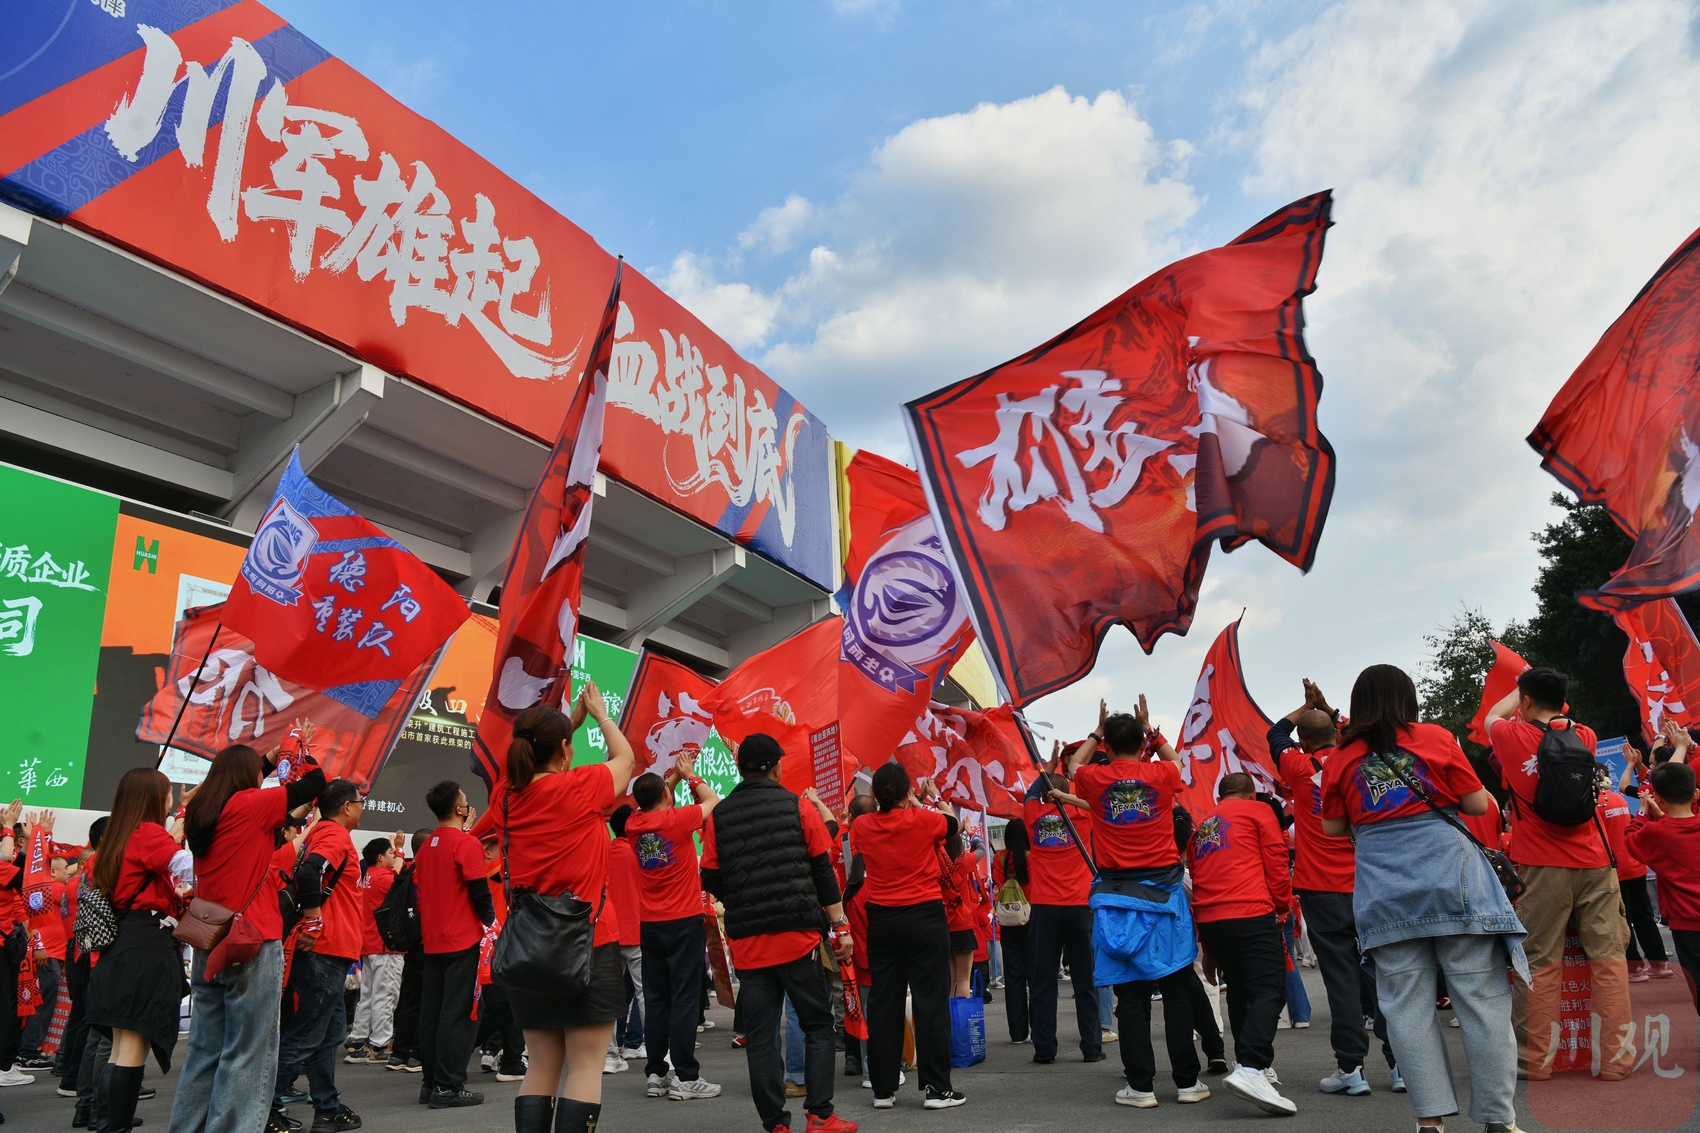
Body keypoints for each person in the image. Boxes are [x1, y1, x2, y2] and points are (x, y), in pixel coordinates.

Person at [1321, 663, 1525, 1133]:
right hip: (1453, 881)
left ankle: (1429, 1121)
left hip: (1385, 891)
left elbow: (1332, 827)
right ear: (1407, 699)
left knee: (1406, 1011)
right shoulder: (1435, 737)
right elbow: (1476, 804)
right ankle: (1499, 1120)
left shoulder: (1341, 756)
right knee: (1482, 1003)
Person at [487, 685, 634, 1133]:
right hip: (590, 941)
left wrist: (567, 725)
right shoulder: (581, 786)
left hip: (529, 948)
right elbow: (626, 759)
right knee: (586, 1066)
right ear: (565, 751)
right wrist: (600, 715)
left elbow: (536, 757)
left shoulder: (503, 799)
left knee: (541, 1065)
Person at [702, 733, 861, 1131]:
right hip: (798, 939)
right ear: (776, 767)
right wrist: (841, 926)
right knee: (817, 1025)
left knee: (760, 1038)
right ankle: (820, 1116)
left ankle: (776, 1124)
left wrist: (741, 899)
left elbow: (710, 875)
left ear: (739, 768)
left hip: (749, 944)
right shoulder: (799, 807)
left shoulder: (718, 816)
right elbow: (822, 870)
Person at [1485, 667, 1631, 1080]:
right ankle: (1616, 1062)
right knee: (1608, 960)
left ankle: (1534, 1062)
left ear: (1526, 701)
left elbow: (1493, 715)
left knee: (1539, 962)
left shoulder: (1510, 736)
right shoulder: (1584, 735)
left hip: (1542, 865)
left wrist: (1519, 684)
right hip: (1595, 863)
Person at [173, 742, 327, 1133]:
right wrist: (297, 749)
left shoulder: (202, 810)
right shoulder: (250, 804)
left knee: (203, 1050)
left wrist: (271, 759)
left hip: (208, 936)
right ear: (249, 777)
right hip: (251, 938)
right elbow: (316, 783)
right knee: (249, 1050)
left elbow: (246, 775)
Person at [1059, 702, 1203, 1108]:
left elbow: (1073, 767)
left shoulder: (1094, 778)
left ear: (1107, 746)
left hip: (1118, 899)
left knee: (1132, 999)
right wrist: (1151, 731)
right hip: (1165, 897)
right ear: (1142, 745)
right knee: (1176, 991)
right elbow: (1179, 762)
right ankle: (1188, 1084)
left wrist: (1096, 732)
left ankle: (1140, 1087)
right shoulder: (1160, 774)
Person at [1268, 680, 1399, 1095]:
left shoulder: (1297, 766)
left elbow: (1276, 733)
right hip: (1369, 882)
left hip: (1320, 889)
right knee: (1384, 973)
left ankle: (1351, 1069)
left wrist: (1305, 706)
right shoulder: (1357, 758)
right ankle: (1401, 1065)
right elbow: (1360, 731)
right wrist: (1326, 707)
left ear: (1304, 742)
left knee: (1340, 979)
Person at [850, 761, 964, 1112]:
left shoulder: (862, 825)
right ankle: (936, 1089)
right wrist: (921, 801)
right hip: (924, 916)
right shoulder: (923, 820)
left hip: (882, 919)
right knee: (930, 1001)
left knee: (885, 1003)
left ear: (875, 794)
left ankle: (883, 1089)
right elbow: (952, 822)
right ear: (907, 792)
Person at [84, 769, 187, 1133]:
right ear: (154, 797)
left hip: (121, 947)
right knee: (131, 1049)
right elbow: (187, 865)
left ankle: (108, 1125)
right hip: (145, 947)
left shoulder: (117, 836)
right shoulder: (147, 834)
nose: (170, 798)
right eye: (167, 792)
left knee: (119, 1048)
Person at [1189, 773, 1297, 1116]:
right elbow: (1277, 861)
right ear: (1251, 793)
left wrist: (1207, 944)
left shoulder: (1203, 825)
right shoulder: (1258, 811)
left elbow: (1198, 876)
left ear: (1220, 797)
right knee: (1269, 988)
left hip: (1212, 917)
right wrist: (1283, 906)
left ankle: (1251, 1064)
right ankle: (1251, 1066)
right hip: (1249, 909)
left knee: (1239, 989)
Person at [624, 752, 721, 1100]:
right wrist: (690, 775)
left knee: (656, 1000)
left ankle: (656, 1073)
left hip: (650, 926)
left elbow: (653, 796)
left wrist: (673, 779)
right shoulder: (678, 819)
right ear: (666, 796)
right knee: (684, 1000)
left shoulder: (633, 824)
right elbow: (713, 800)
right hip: (683, 922)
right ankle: (686, 1076)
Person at [271, 778, 365, 1131]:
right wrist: (313, 921)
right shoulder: (334, 836)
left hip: (330, 951)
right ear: (346, 807)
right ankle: (265, 1107)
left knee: (328, 1033)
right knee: (308, 1034)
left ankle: (327, 1107)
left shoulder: (320, 832)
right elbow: (311, 872)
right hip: (325, 949)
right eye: (360, 802)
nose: (361, 808)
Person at [414, 779, 495, 1109]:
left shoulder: (426, 847)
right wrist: (492, 924)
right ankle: (448, 1086)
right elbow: (480, 892)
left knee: (432, 1013)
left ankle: (431, 1083)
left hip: (433, 940)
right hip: (462, 940)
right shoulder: (465, 844)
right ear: (460, 809)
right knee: (458, 1014)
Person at [1022, 769, 1100, 1064]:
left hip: (1044, 908)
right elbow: (1097, 803)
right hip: (1079, 905)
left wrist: (1045, 770)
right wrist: (1067, 795)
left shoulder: (1032, 815)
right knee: (1085, 981)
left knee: (1042, 980)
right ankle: (1092, 1046)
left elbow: (1030, 793)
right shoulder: (1082, 815)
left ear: (1044, 795)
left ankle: (1044, 1048)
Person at [1625, 760, 1700, 1006]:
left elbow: (1631, 839)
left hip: (1686, 924)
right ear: (1695, 793)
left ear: (1657, 797)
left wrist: (1643, 811)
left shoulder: (1657, 833)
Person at [346, 834, 407, 1063]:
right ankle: (380, 1045)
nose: (394, 857)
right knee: (386, 996)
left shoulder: (367, 876)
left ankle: (357, 1043)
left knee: (368, 996)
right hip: (385, 946)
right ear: (380, 857)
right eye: (390, 854)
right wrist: (400, 850)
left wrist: (397, 850)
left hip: (370, 944)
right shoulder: (383, 878)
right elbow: (400, 881)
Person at [386, 828, 433, 1073]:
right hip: (430, 941)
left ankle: (399, 1054)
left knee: (409, 998)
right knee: (428, 999)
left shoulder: (407, 870)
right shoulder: (430, 870)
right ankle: (417, 1053)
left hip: (410, 941)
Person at [604, 805, 645, 1070]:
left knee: (608, 997)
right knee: (646, 995)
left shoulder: (604, 852)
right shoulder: (641, 853)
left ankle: (609, 1055)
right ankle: (657, 1052)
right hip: (637, 931)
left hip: (608, 933)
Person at [991, 818, 1032, 1045]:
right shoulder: (1032, 857)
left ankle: (1017, 1033)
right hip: (1030, 919)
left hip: (1008, 922)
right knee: (1036, 977)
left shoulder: (1000, 858)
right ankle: (1039, 1028)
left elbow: (998, 884)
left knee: (1014, 978)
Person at [942, 829, 979, 998]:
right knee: (964, 979)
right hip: (962, 924)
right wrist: (970, 833)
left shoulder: (938, 863)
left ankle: (948, 1014)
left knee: (950, 979)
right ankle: (962, 1014)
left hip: (944, 925)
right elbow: (982, 848)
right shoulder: (963, 861)